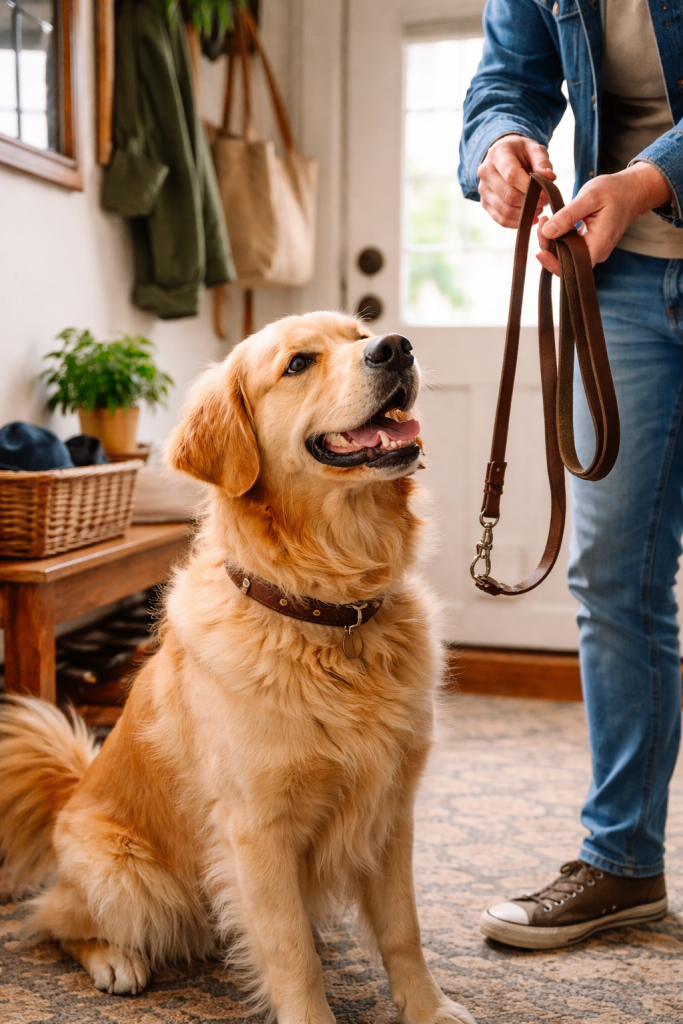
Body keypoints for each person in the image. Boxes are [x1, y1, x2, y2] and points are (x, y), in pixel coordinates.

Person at [459, 0, 683, 949]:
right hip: (623, 280)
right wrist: (500, 147)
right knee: (611, 575)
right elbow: (505, 80)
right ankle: (622, 863)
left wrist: (644, 180)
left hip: (636, 211)